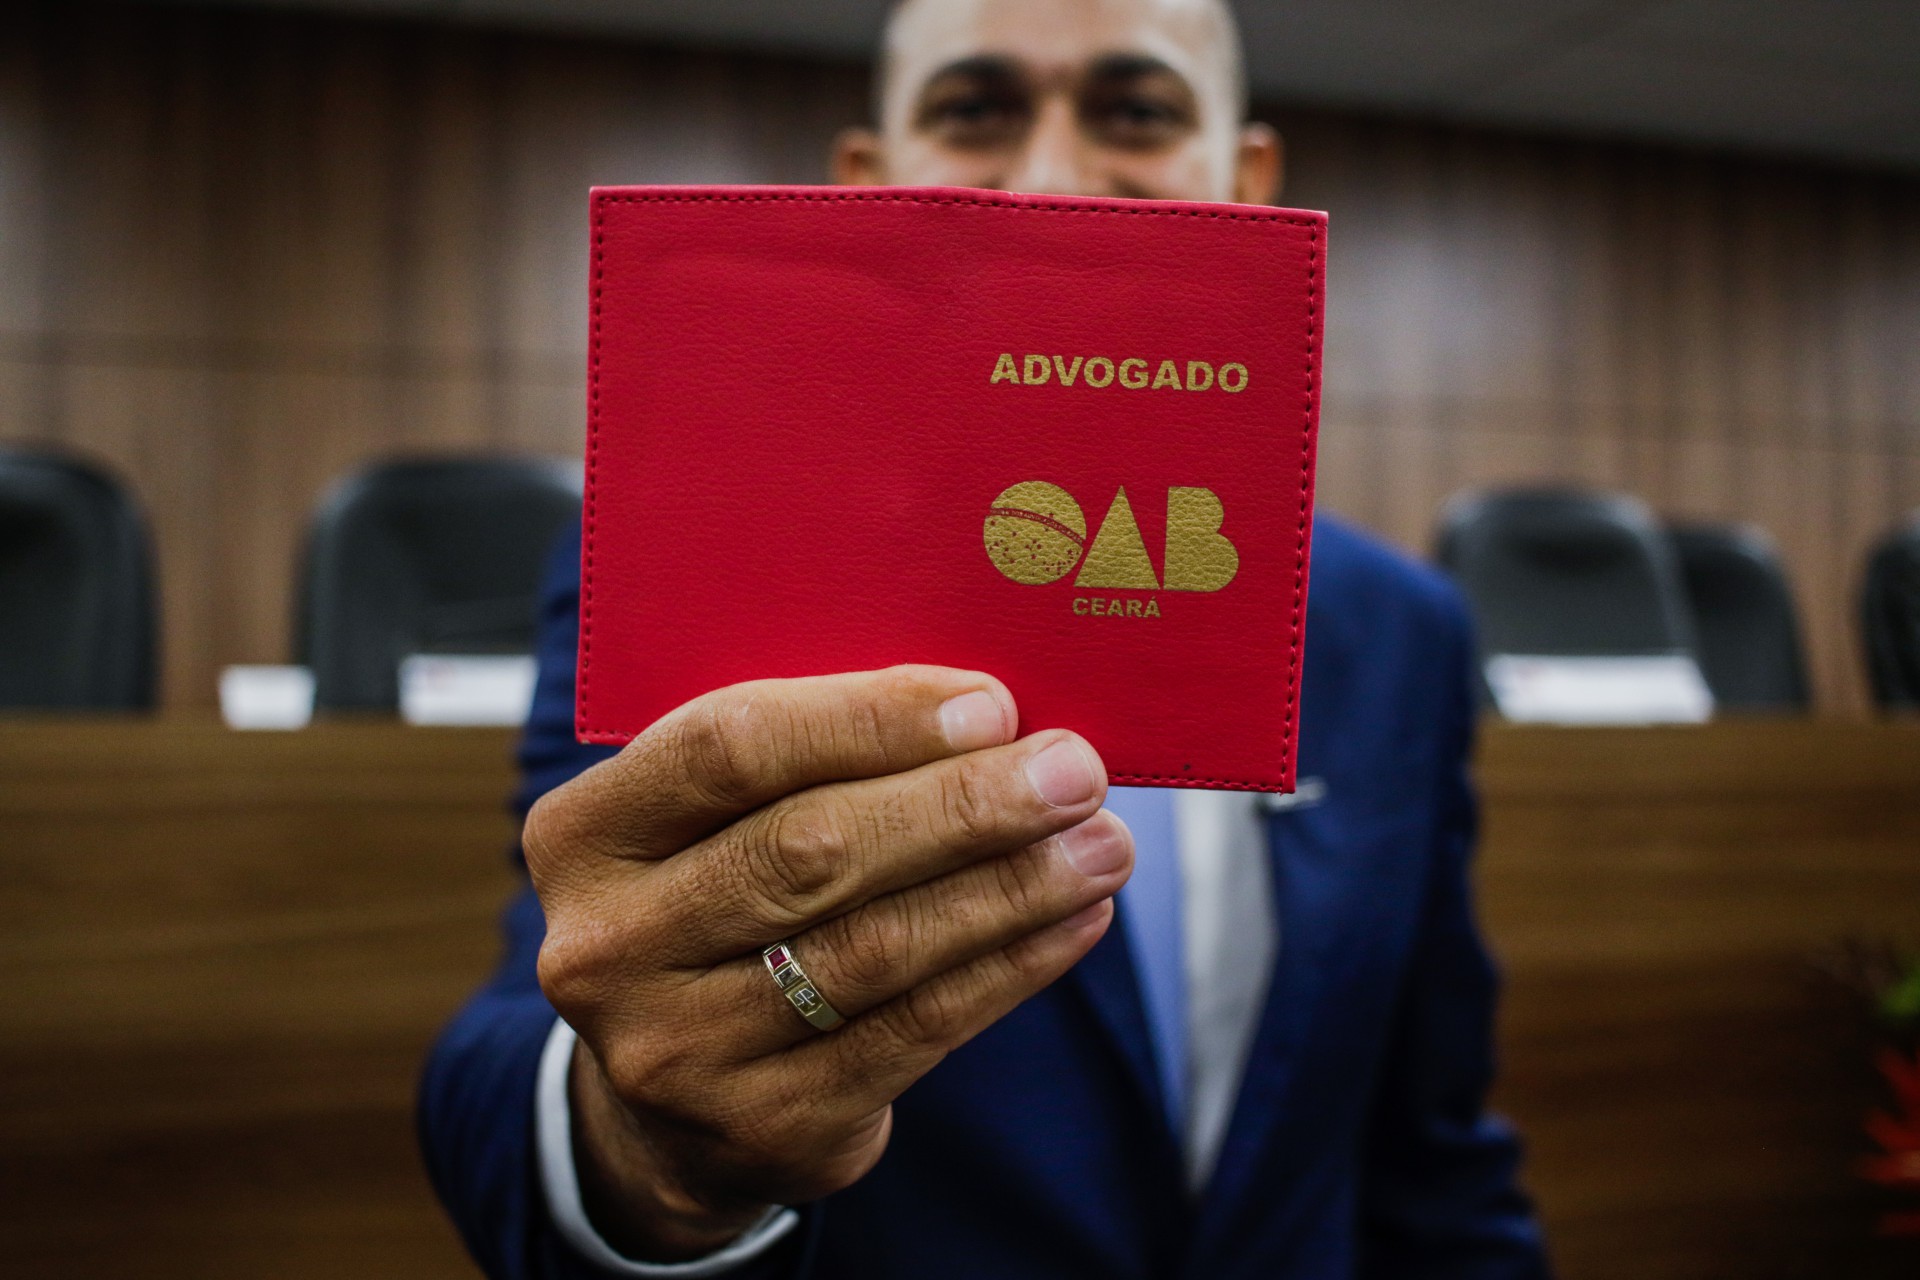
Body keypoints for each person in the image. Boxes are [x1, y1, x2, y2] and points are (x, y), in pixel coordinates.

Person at [419, 0, 1551, 1275]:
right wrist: (647, 1145)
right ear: (868, 185)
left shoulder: (1400, 628)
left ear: (1247, 183)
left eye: (1137, 111)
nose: (1054, 178)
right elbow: (542, 1018)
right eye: (976, 111)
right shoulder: (703, 574)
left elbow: (1430, 1141)